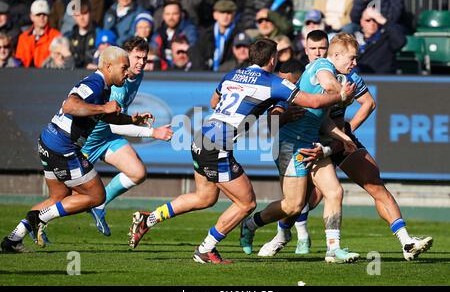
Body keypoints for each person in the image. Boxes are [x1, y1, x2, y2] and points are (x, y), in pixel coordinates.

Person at [127, 38, 356, 264]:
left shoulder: (232, 75)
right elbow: (314, 102)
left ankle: (149, 219)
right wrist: (342, 96)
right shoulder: (273, 83)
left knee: (204, 197)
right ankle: (205, 249)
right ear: (273, 59)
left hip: (201, 138)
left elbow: (214, 101)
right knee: (246, 203)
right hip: (217, 147)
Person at [259, 30, 433, 261]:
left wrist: (347, 132)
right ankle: (281, 236)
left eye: (322, 48)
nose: (319, 53)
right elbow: (278, 108)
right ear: (309, 50)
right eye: (314, 49)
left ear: (330, 50)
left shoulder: (347, 75)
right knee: (301, 201)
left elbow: (369, 104)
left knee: (374, 182)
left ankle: (406, 241)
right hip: (307, 142)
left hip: (335, 139)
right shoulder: (303, 72)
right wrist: (284, 115)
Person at [1, 46, 153, 253]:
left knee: (58, 197)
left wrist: (132, 119)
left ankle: (12, 239)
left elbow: (106, 116)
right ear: (108, 66)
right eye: (124, 67)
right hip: (62, 147)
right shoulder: (95, 83)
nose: (127, 72)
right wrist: (103, 108)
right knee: (97, 196)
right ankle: (40, 218)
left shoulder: (104, 87)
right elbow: (70, 106)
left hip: (50, 143)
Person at [239, 33, 361, 263]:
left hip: (311, 143)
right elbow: (328, 83)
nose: (354, 63)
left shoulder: (331, 70)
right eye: (351, 58)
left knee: (335, 192)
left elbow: (320, 119)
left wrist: (342, 137)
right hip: (291, 145)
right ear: (336, 55)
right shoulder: (322, 65)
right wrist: (343, 93)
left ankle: (333, 249)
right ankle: (251, 224)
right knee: (293, 206)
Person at [82, 37, 173, 235]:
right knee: (63, 196)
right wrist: (153, 132)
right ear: (124, 57)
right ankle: (26, 227)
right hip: (87, 142)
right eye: (137, 57)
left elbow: (116, 122)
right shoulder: (117, 86)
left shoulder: (136, 75)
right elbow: (116, 125)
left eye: (145, 58)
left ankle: (99, 205)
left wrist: (134, 119)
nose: (141, 62)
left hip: (105, 138)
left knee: (138, 172)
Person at [353, 7, 406, 74]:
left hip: (383, 79)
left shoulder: (387, 38)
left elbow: (401, 41)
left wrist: (382, 20)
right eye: (368, 20)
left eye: (375, 20)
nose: (372, 23)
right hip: (361, 79)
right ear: (361, 22)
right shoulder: (353, 38)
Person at [190, 0, 239, 71]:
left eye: (229, 13)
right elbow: (198, 57)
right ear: (215, 15)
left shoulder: (238, 35)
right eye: (222, 12)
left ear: (234, 15)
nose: (225, 16)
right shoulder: (204, 35)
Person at [15, 0, 61, 68]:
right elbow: (19, 61)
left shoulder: (56, 36)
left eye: (44, 14)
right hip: (25, 74)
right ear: (31, 17)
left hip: (47, 75)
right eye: (38, 14)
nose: (41, 17)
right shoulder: (23, 37)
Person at [67, 0, 98, 69]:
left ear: (91, 13)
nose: (81, 18)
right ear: (73, 16)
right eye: (78, 15)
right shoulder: (69, 37)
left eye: (84, 13)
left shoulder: (99, 35)